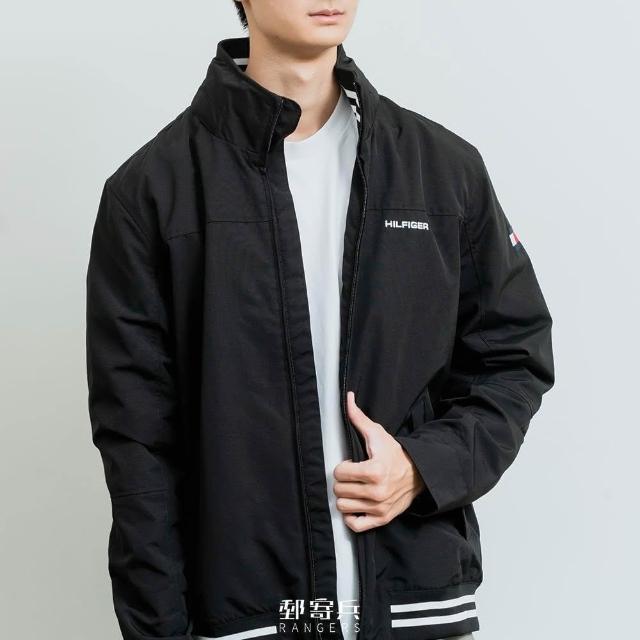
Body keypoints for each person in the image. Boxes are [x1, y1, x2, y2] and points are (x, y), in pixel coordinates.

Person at [85, 2, 554, 640]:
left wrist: (424, 467)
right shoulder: (151, 192)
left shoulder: (442, 170)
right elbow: (138, 444)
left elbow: (513, 355)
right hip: (254, 617)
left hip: (416, 609)